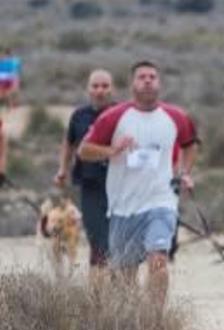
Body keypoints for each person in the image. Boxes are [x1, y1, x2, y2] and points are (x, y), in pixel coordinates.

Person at [79, 60, 198, 306]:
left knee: (158, 260)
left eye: (152, 77)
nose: (147, 81)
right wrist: (112, 150)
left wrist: (185, 172)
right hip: (124, 206)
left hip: (161, 201)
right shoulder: (113, 117)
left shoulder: (176, 116)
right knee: (124, 276)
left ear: (159, 83)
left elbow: (190, 143)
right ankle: (132, 322)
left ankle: (155, 322)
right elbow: (84, 151)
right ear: (132, 84)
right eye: (141, 77)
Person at [54, 69, 115, 280]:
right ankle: (96, 300)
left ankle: (121, 297)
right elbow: (69, 145)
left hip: (120, 187)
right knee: (98, 241)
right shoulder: (79, 116)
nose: (100, 91)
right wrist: (63, 169)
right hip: (90, 186)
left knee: (116, 243)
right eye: (95, 86)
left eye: (105, 86)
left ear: (112, 89)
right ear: (88, 89)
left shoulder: (122, 114)